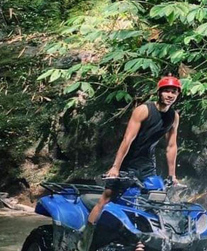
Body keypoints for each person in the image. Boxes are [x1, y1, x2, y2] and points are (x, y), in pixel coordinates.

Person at [78, 75, 182, 251]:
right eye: (166, 91)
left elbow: (171, 146)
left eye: (174, 92)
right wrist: (116, 167)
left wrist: (172, 176)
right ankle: (86, 239)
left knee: (151, 203)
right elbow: (127, 139)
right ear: (159, 92)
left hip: (148, 164)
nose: (170, 95)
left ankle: (141, 242)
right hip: (128, 161)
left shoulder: (174, 116)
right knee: (107, 197)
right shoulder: (143, 110)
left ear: (178, 95)